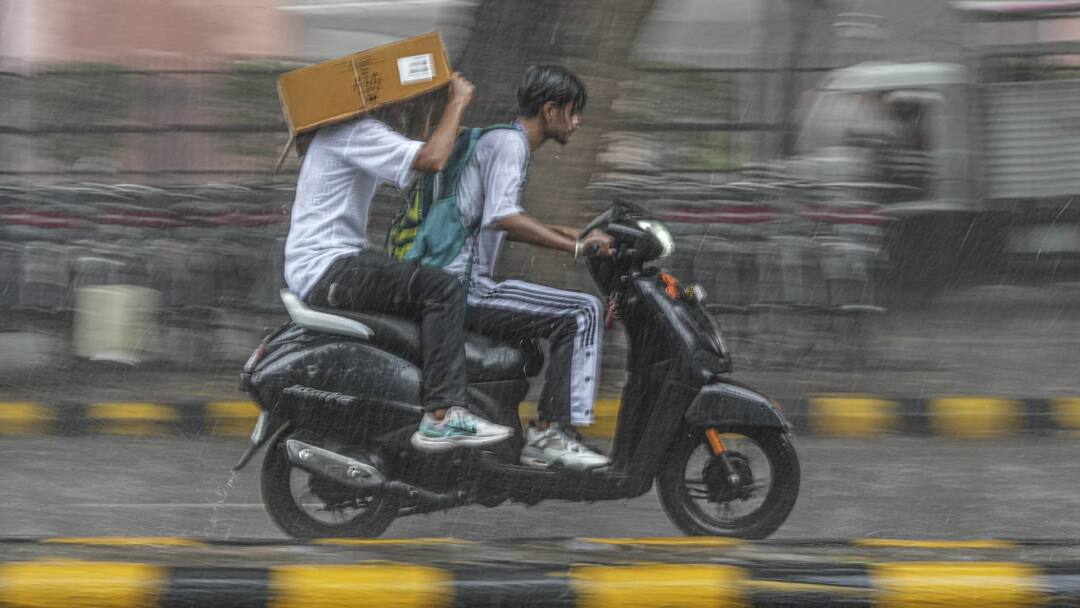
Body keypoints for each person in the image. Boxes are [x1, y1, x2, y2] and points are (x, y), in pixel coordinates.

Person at [283, 73, 513, 453]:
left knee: (418, 284)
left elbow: (419, 151)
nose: (406, 107)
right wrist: (456, 103)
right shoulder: (358, 130)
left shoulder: (342, 132)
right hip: (331, 267)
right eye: (402, 101)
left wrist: (429, 113)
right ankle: (442, 415)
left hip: (325, 266)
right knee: (441, 288)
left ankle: (421, 405)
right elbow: (432, 159)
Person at [444, 64, 614, 471]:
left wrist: (575, 232)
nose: (577, 121)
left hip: (455, 281)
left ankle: (544, 430)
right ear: (550, 111)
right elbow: (504, 217)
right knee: (583, 311)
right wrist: (575, 246)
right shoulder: (511, 145)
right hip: (467, 286)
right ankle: (550, 433)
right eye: (573, 112)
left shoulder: (500, 140)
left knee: (575, 311)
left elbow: (501, 219)